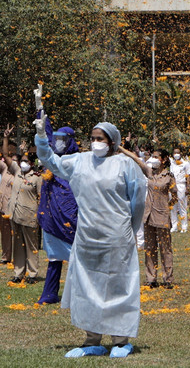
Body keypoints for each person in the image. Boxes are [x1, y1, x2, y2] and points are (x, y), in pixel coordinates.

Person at [34, 112, 146, 359]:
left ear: (113, 142)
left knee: (119, 285)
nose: (96, 142)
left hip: (118, 236)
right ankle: (92, 339)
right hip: (86, 237)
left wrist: (131, 228)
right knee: (87, 286)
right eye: (93, 137)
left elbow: (138, 201)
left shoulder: (125, 165)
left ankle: (120, 340)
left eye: (101, 138)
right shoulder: (80, 161)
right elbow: (50, 161)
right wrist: (42, 136)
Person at [33, 87, 80, 303]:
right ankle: (50, 293)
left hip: (71, 214)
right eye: (58, 138)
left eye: (64, 139)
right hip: (51, 214)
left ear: (71, 140)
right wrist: (39, 106)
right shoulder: (52, 155)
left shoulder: (77, 160)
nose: (59, 142)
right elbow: (45, 132)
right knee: (54, 257)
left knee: (75, 257)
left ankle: (77, 294)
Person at [129, 148, 177, 289]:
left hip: (162, 216)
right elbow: (137, 160)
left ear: (163, 160)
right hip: (148, 216)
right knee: (150, 248)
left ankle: (168, 279)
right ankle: (151, 278)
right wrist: (120, 146)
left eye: (156, 157)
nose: (153, 159)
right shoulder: (150, 173)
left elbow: (175, 196)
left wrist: (166, 207)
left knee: (165, 248)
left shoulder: (169, 176)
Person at [3, 128, 42, 284]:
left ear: (32, 163)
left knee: (31, 246)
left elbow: (41, 197)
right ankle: (19, 273)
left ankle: (32, 274)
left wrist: (40, 216)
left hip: (30, 216)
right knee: (18, 245)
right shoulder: (17, 171)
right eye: (22, 160)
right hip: (16, 215)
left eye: (26, 160)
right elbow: (5, 156)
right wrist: (6, 138)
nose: (23, 163)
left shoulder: (37, 178)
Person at [0, 141, 17, 265]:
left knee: (16, 235)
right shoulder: (5, 170)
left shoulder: (18, 173)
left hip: (13, 209)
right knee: (5, 235)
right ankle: (6, 257)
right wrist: (5, 138)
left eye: (15, 161)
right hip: (2, 208)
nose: (12, 163)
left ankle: (18, 257)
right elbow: (4, 155)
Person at [169, 147, 190, 233]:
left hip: (182, 185)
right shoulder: (172, 164)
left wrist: (188, 187)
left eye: (177, 153)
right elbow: (171, 176)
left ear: (181, 154)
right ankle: (174, 225)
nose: (176, 154)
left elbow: (188, 175)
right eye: (174, 153)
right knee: (173, 207)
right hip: (173, 186)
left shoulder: (185, 163)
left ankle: (184, 226)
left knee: (182, 206)